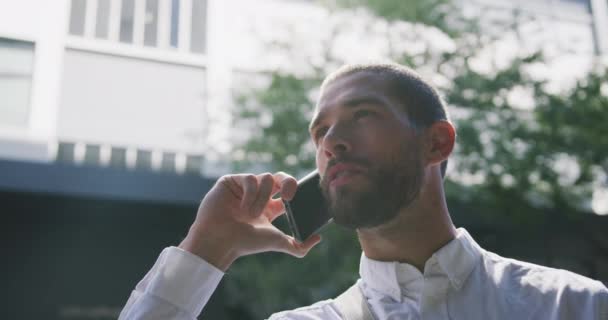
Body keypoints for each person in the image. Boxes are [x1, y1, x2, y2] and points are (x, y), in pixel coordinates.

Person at [119, 63, 608, 319]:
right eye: (320, 131)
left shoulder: (573, 307)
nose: (332, 142)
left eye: (362, 115)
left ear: (437, 142)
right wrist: (206, 250)